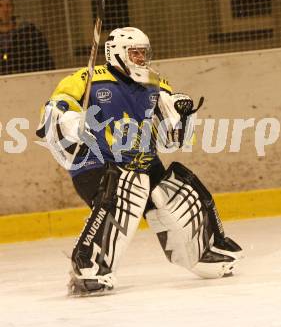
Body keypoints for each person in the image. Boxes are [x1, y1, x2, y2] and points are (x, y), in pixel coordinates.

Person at [36, 27, 243, 297]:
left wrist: (182, 116)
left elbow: (172, 140)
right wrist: (71, 120)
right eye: (135, 53)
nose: (141, 59)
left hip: (144, 162)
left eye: (144, 53)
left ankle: (204, 252)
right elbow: (51, 113)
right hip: (97, 164)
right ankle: (88, 266)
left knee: (181, 190)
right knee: (125, 188)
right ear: (117, 53)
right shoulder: (85, 79)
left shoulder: (155, 83)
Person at [0, 0, 54, 75]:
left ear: (13, 7)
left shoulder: (29, 33)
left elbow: (46, 62)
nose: (5, 10)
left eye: (8, 5)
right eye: (0, 6)